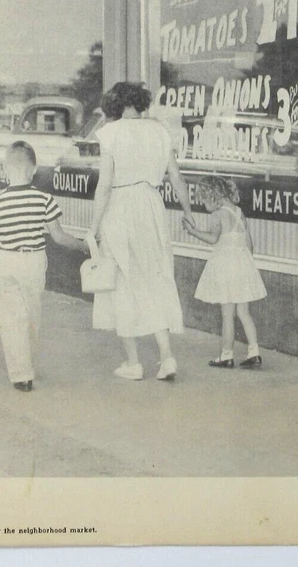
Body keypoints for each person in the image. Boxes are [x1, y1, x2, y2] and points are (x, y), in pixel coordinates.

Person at [89, 82, 194, 381]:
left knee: (123, 281)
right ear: (139, 102)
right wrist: (187, 213)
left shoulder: (110, 133)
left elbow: (105, 185)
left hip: (121, 207)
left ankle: (134, 363)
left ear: (114, 104)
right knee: (155, 278)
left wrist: (94, 227)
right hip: (151, 205)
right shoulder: (159, 131)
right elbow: (176, 177)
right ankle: (167, 357)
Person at [0, 140, 87, 392]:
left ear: (5, 170)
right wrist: (83, 245)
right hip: (34, 261)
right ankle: (26, 366)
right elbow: (59, 236)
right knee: (31, 316)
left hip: (5, 260)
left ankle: (21, 375)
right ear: (34, 169)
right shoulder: (44, 199)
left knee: (10, 320)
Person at [182, 176, 266, 369]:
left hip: (226, 267)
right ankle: (254, 352)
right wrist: (248, 264)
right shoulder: (238, 211)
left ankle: (226, 355)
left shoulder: (218, 215)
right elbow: (249, 241)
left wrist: (193, 231)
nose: (204, 206)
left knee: (228, 315)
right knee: (244, 312)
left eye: (204, 201)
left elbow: (213, 239)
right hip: (243, 265)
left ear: (212, 196)